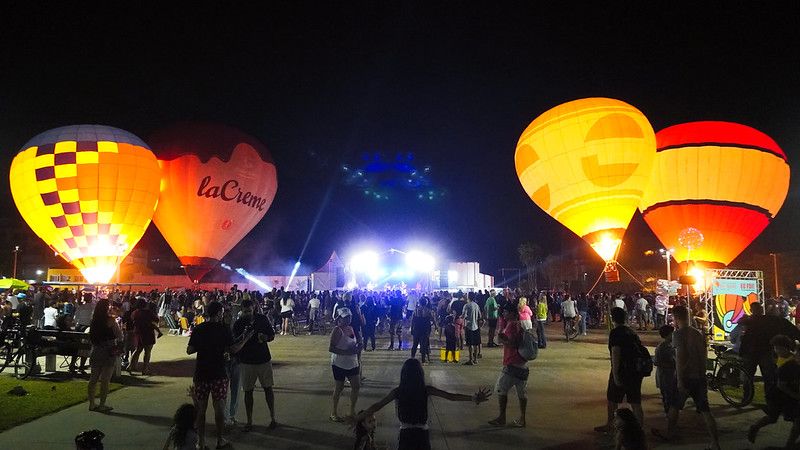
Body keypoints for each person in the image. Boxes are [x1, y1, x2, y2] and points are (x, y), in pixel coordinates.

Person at [354, 358, 490, 450]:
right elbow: (451, 397)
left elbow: (377, 406)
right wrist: (473, 398)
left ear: (403, 375)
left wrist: (357, 418)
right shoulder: (426, 390)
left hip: (406, 433)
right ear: (420, 374)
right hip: (422, 433)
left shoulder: (398, 392)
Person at [652, 305, 720, 450]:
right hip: (699, 376)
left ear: (676, 318)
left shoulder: (678, 334)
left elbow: (680, 358)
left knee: (674, 407)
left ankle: (670, 433)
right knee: (705, 411)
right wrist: (703, 376)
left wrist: (680, 380)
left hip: (686, 377)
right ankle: (715, 443)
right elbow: (703, 356)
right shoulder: (698, 333)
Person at [187, 301, 253, 450]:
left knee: (201, 409)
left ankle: (201, 441)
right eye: (222, 312)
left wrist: (204, 346)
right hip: (218, 373)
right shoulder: (223, 329)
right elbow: (233, 349)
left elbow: (190, 350)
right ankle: (219, 440)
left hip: (201, 372)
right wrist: (246, 338)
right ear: (218, 313)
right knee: (219, 409)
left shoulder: (199, 328)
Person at [594, 307, 645, 433]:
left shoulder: (615, 333)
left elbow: (616, 353)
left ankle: (610, 425)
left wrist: (616, 374)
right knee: (635, 402)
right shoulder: (631, 332)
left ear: (612, 318)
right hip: (635, 371)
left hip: (622, 371)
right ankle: (639, 430)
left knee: (612, 400)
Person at [232, 299, 277, 431]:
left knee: (268, 389)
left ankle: (273, 418)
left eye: (250, 311)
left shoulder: (262, 319)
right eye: (245, 312)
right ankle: (249, 421)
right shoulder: (239, 323)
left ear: (254, 309)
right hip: (246, 361)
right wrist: (244, 336)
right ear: (241, 310)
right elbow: (234, 341)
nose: (247, 314)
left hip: (263, 359)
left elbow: (272, 335)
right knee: (248, 391)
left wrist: (266, 338)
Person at [748, 334, 800, 447]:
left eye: (780, 348)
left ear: (787, 348)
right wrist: (797, 396)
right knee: (772, 418)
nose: (778, 351)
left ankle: (790, 444)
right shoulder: (786, 365)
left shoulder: (791, 359)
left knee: (797, 420)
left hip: (787, 394)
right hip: (777, 395)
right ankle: (755, 427)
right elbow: (782, 386)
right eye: (776, 348)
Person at [739, 302, 800, 396]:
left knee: (751, 376)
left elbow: (741, 324)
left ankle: (748, 396)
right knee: (768, 377)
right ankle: (768, 397)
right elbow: (787, 326)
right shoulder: (768, 320)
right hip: (763, 352)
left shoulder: (752, 320)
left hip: (755, 352)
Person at [489, 302, 529, 427]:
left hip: (512, 363)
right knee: (522, 393)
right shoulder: (520, 324)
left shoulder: (511, 325)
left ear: (512, 313)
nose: (504, 314)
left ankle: (502, 417)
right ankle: (522, 419)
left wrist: (502, 338)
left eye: (505, 312)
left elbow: (512, 343)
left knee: (501, 389)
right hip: (522, 363)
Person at [87, 299, 122, 413]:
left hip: (96, 350)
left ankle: (92, 403)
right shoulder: (111, 320)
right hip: (108, 351)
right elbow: (119, 335)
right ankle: (102, 404)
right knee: (105, 380)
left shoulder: (94, 321)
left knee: (93, 379)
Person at [330, 307, 361, 422]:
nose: (348, 320)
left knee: (356, 386)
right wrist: (347, 352)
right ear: (340, 319)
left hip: (352, 362)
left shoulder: (351, 328)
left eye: (349, 317)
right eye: (345, 318)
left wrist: (359, 346)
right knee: (339, 387)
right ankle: (334, 411)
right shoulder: (337, 330)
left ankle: (352, 411)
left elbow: (354, 342)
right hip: (339, 363)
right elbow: (331, 348)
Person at [128, 298, 162, 375]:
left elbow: (132, 320)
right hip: (148, 333)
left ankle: (130, 366)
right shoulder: (148, 312)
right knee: (147, 352)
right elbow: (156, 320)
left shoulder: (134, 313)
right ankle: (145, 369)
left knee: (137, 350)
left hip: (138, 333)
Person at [652, 325, 677, 421]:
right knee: (667, 397)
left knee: (671, 397)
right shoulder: (661, 347)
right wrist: (671, 364)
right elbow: (656, 362)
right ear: (668, 335)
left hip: (671, 375)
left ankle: (671, 416)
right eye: (672, 333)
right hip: (664, 376)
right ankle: (669, 416)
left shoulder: (672, 345)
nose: (674, 335)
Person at [410, 298, 435, 364]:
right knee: (423, 345)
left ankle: (412, 357)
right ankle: (423, 360)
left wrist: (412, 329)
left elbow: (412, 320)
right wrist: (435, 326)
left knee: (415, 344)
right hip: (425, 329)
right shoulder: (428, 311)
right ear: (426, 303)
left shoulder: (416, 310)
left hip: (417, 328)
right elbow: (432, 319)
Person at [462, 294, 482, 365]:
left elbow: (463, 315)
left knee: (470, 344)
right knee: (476, 344)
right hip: (476, 326)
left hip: (469, 326)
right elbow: (480, 315)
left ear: (468, 297)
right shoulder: (476, 305)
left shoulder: (466, 305)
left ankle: (470, 359)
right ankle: (475, 359)